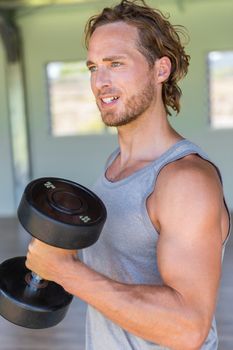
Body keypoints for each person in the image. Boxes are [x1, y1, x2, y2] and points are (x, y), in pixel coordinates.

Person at [26, 1, 231, 349]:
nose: (99, 82)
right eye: (93, 67)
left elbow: (188, 328)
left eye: (115, 64)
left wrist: (68, 272)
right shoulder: (115, 165)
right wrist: (61, 254)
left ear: (160, 69)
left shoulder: (184, 180)